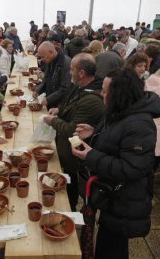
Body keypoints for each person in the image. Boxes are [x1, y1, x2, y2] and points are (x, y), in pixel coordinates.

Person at [72, 68, 160, 259]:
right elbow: (113, 139)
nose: (102, 95)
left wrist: (91, 156)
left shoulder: (139, 124)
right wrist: (93, 131)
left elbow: (132, 168)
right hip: (113, 195)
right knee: (110, 244)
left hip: (125, 200)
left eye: (106, 91)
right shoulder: (121, 109)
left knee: (112, 248)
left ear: (119, 94)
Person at [43, 53, 105, 211]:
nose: (69, 72)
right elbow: (70, 105)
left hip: (75, 157)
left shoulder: (92, 99)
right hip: (67, 152)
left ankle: (69, 211)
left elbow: (73, 130)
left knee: (71, 185)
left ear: (82, 73)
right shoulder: (79, 87)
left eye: (72, 69)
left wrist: (53, 121)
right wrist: (59, 109)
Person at [34, 41, 71, 109]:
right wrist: (38, 90)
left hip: (59, 105)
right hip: (51, 100)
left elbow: (65, 89)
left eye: (43, 57)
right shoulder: (50, 60)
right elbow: (46, 79)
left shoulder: (66, 64)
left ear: (51, 52)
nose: (42, 59)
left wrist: (48, 99)